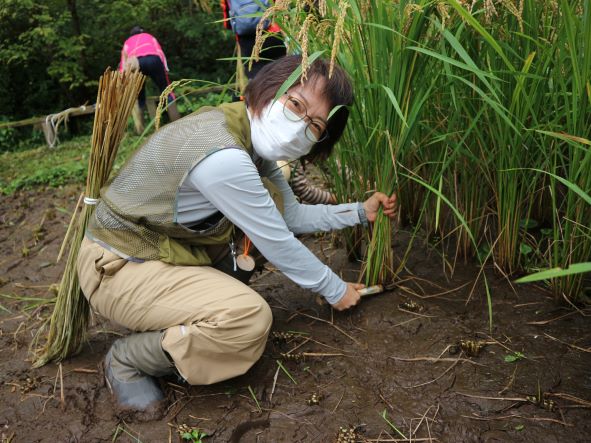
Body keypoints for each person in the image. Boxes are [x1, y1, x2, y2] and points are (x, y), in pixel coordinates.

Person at [76, 55, 397, 420]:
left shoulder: (255, 146)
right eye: (295, 105)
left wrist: (359, 211)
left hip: (164, 254)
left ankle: (190, 316)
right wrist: (336, 290)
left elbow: (289, 216)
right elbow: (278, 241)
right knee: (247, 319)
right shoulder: (222, 153)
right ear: (266, 89)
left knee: (268, 208)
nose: (299, 128)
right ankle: (128, 359)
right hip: (118, 267)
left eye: (315, 125)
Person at [119, 26, 180, 130]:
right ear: (142, 32)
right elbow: (160, 52)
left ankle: (140, 128)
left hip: (136, 63)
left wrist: (123, 79)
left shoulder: (127, 42)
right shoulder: (150, 37)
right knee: (166, 90)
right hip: (153, 59)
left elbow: (124, 64)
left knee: (139, 95)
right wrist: (164, 69)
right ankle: (177, 122)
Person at [220, 0, 287, 80]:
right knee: (282, 71)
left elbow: (227, 22)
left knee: (256, 78)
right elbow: (281, 6)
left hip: (247, 41)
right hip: (271, 33)